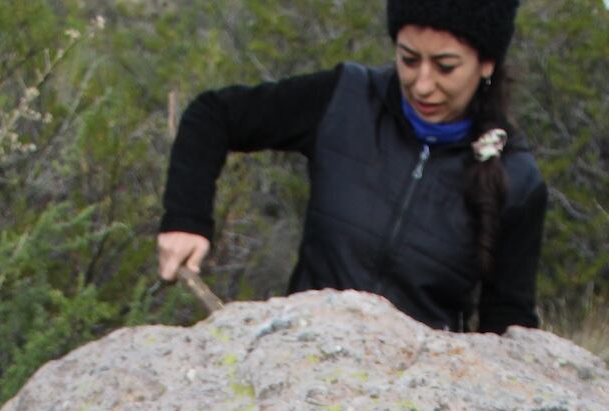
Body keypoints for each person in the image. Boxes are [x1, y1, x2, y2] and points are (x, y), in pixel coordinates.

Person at [158, 2, 545, 335]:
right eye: (408, 59)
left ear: (486, 63)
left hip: (412, 396)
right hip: (300, 357)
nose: (423, 85)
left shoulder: (518, 180)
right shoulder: (345, 98)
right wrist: (186, 218)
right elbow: (213, 115)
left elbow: (507, 323)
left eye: (445, 67)